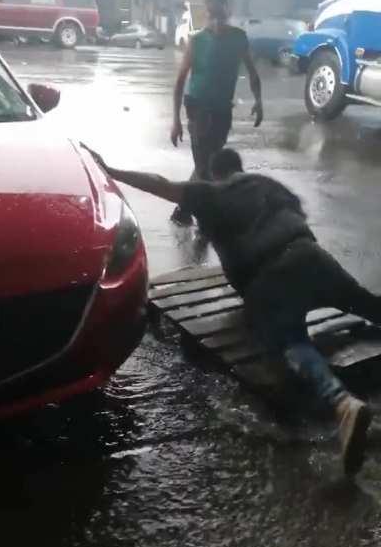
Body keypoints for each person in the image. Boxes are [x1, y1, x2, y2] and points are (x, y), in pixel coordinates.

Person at [83, 144, 376, 477]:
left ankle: (342, 403)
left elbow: (159, 183)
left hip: (270, 278)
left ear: (215, 173)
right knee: (364, 301)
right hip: (313, 256)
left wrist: (113, 171)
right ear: (240, 168)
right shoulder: (270, 185)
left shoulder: (211, 192)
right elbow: (294, 218)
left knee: (291, 342)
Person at [170, 0, 263, 226]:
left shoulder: (239, 38)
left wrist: (259, 101)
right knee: (204, 166)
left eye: (219, 15)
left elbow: (252, 72)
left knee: (209, 161)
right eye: (212, 16)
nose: (216, 22)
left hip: (223, 109)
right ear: (206, 14)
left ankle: (183, 210)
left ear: (227, 11)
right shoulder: (197, 40)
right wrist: (176, 120)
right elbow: (181, 80)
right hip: (198, 105)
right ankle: (204, 218)